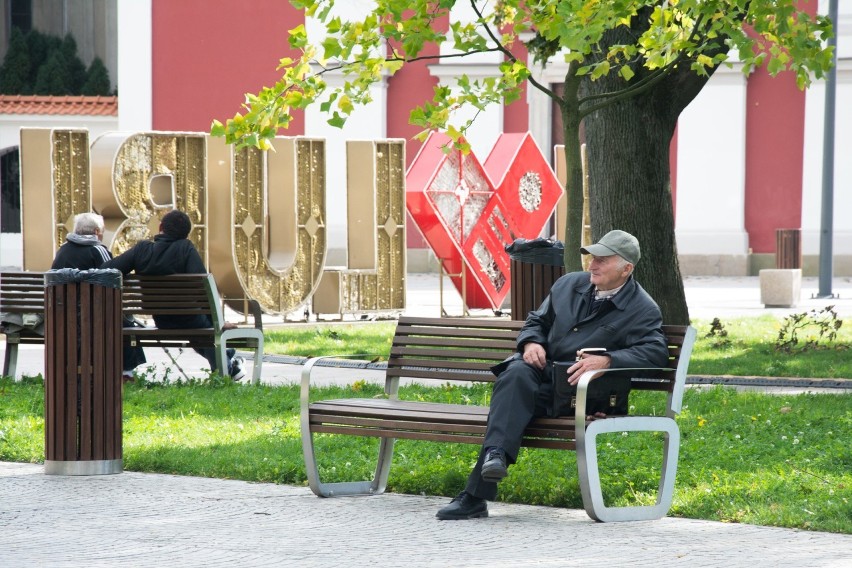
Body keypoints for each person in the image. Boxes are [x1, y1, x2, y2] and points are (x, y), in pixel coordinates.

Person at [436, 229, 670, 520]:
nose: (592, 265)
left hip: (578, 393)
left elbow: (656, 353)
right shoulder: (569, 284)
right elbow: (537, 320)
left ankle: (476, 494)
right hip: (542, 377)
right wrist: (531, 341)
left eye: (602, 260)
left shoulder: (642, 308)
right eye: (592, 257)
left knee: (511, 405)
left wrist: (607, 360)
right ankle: (494, 458)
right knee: (516, 371)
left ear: (626, 269)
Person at [101, 209, 246, 380]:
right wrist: (220, 322)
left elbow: (107, 271)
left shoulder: (142, 250)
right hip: (190, 319)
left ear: (161, 226)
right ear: (185, 234)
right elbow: (203, 289)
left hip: (162, 320)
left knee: (202, 328)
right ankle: (225, 369)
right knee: (206, 327)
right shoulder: (185, 248)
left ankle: (228, 361)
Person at [51, 212, 147, 380]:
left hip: (63, 316)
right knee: (126, 322)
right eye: (102, 230)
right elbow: (111, 281)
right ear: (96, 231)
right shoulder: (98, 250)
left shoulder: (63, 251)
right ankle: (126, 373)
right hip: (94, 316)